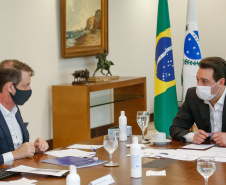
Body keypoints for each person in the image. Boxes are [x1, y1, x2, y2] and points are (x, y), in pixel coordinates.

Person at [0, 59, 48, 164]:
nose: (29, 89)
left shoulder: (15, 110)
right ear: (10, 87)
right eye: (25, 85)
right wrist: (14, 154)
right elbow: (15, 153)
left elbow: (17, 149)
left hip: (19, 173)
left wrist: (34, 149)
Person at [170, 57, 226, 146]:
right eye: (197, 80)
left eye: (204, 81)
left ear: (221, 83)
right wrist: (192, 136)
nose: (199, 86)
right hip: (205, 153)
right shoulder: (193, 95)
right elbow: (176, 128)